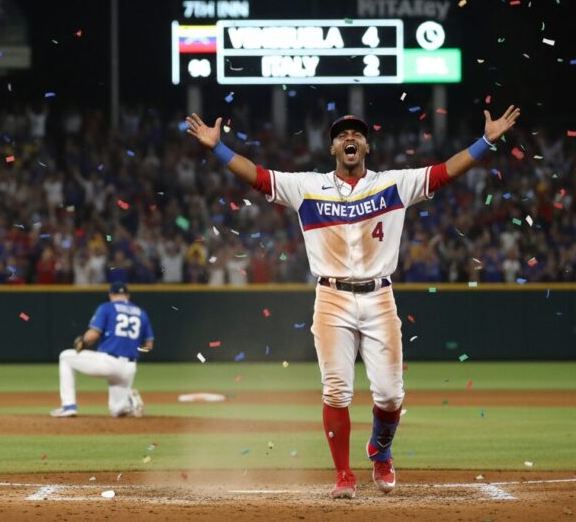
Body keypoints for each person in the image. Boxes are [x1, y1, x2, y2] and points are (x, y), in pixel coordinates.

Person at [185, 106, 520, 498]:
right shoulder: (307, 187)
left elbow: (444, 172)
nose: (350, 138)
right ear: (332, 148)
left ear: (366, 146)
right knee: (336, 390)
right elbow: (259, 178)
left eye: (357, 134)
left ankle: (380, 452)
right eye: (343, 134)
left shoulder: (393, 184)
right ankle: (343, 474)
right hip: (331, 297)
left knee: (391, 394)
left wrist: (486, 141)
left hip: (379, 297)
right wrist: (218, 148)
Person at [51, 282, 154, 418]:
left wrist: (83, 341)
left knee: (65, 356)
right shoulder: (142, 313)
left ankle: (68, 406)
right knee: (117, 411)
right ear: (127, 296)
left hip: (108, 362)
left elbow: (93, 335)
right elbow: (149, 346)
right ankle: (129, 403)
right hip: (129, 368)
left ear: (111, 295)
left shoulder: (107, 307)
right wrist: (132, 349)